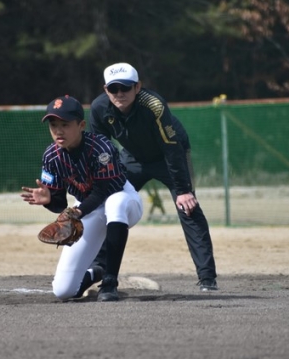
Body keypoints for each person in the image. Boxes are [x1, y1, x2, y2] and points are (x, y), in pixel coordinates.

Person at [89, 62, 219, 291]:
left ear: (137, 87)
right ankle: (98, 268)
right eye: (113, 88)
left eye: (125, 87)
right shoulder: (99, 108)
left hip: (170, 156)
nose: (119, 93)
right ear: (105, 89)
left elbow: (172, 148)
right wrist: (103, 181)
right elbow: (100, 149)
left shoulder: (154, 105)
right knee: (109, 204)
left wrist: (183, 190)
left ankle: (207, 278)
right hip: (133, 158)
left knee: (188, 208)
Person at [21, 95, 143, 301]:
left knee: (114, 204)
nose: (58, 131)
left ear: (81, 125)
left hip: (123, 200)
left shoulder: (101, 149)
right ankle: (96, 272)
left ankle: (110, 282)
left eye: (65, 124)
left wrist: (78, 212)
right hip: (87, 208)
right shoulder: (51, 157)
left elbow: (102, 192)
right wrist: (49, 199)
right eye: (53, 125)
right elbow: (60, 203)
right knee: (64, 291)